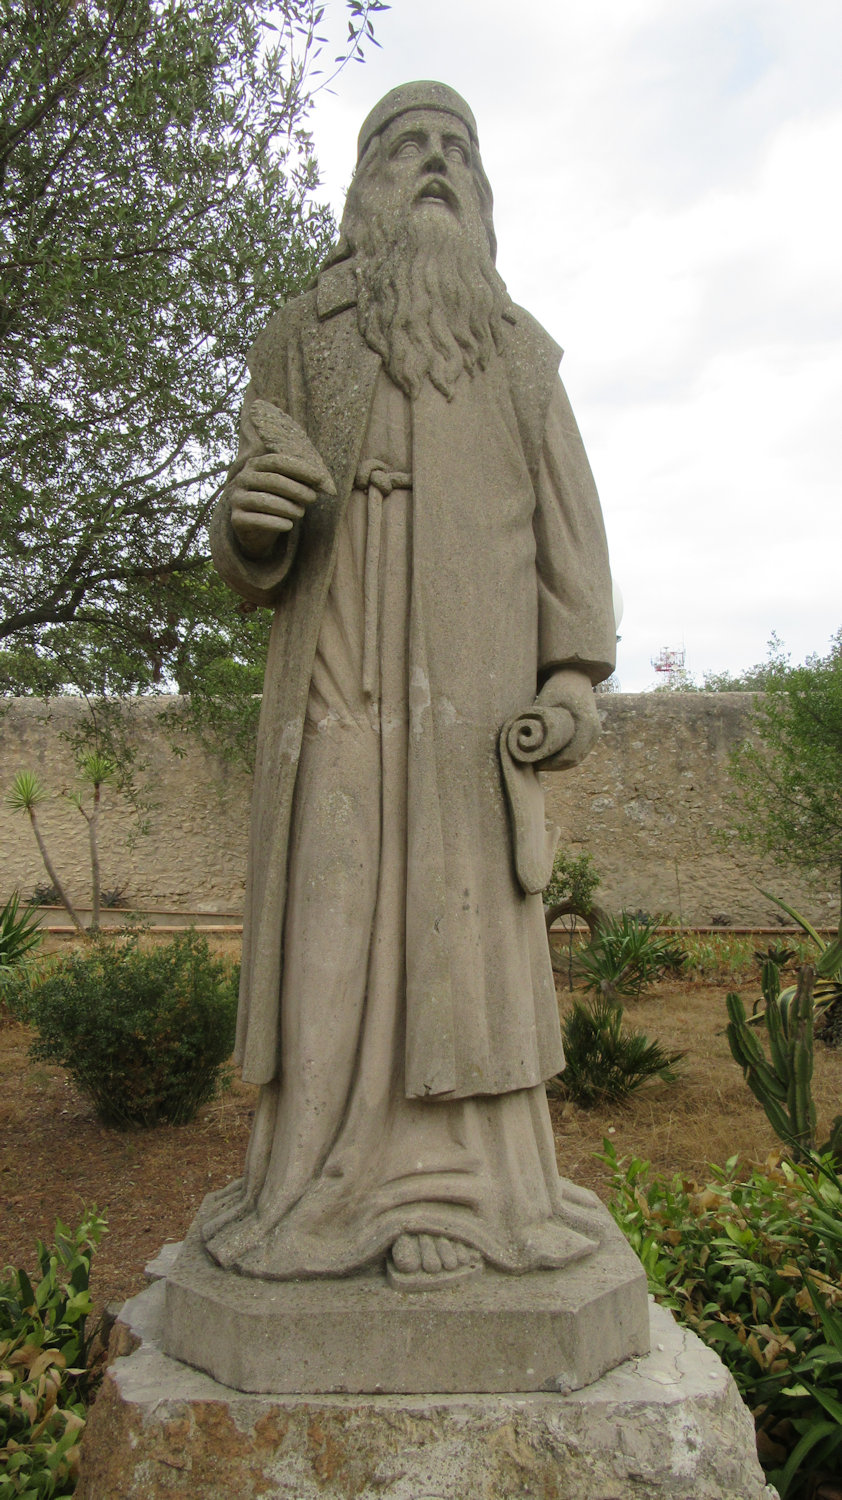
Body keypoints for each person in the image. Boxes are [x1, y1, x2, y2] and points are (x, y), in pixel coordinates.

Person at [204, 81, 616, 1288]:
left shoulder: (521, 352)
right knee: (329, 913)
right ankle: (307, 1183)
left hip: (471, 701)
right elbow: (246, 535)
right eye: (405, 145)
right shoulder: (300, 329)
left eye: (457, 150)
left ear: (482, 193)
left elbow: (568, 539)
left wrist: (572, 675)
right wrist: (247, 522)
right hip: (336, 673)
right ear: (363, 183)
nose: (434, 164)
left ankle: (464, 1191)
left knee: (460, 930)